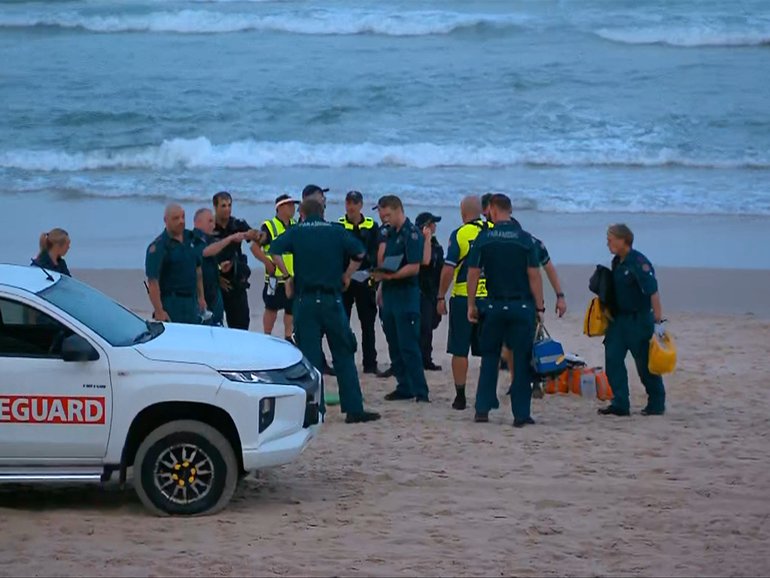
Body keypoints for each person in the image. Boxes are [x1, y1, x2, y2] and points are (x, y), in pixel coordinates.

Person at [269, 199, 381, 424]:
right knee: (343, 352)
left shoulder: (297, 231)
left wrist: (286, 275)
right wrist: (347, 275)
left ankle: (313, 410)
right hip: (331, 299)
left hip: (306, 300)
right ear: (323, 212)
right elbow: (359, 254)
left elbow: (274, 250)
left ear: (302, 212)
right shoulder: (336, 231)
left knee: (310, 359)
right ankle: (353, 408)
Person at [467, 194, 545, 427]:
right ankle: (521, 414)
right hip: (521, 305)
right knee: (521, 360)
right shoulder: (524, 239)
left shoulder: (485, 238)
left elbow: (473, 272)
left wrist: (471, 304)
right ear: (510, 211)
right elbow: (534, 274)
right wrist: (540, 306)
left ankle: (482, 409)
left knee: (490, 358)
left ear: (492, 209)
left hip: (493, 305)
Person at [599, 224, 666, 417]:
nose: (608, 243)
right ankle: (620, 403)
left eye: (611, 239)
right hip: (618, 320)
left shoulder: (638, 262)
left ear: (623, 240)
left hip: (639, 320)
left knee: (645, 364)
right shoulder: (616, 262)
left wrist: (658, 321)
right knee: (613, 359)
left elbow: (653, 290)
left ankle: (656, 402)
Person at [373, 195, 430, 403]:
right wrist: (381, 284)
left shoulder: (411, 234)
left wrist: (392, 276)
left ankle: (420, 390)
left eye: (387, 214)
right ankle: (403, 385)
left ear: (398, 210)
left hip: (406, 294)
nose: (384, 218)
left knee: (408, 344)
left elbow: (415, 266)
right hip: (389, 293)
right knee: (393, 342)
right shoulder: (389, 233)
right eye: (381, 215)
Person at [436, 196, 487, 410]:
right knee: (490, 349)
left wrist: (440, 296)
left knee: (459, 349)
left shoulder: (460, 234)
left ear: (463, 213)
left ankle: (460, 396)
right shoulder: (493, 230)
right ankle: (486, 392)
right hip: (491, 297)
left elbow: (449, 268)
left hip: (464, 297)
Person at [338, 190, 380, 374]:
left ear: (361, 205)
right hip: (344, 281)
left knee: (368, 324)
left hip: (365, 279)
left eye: (355, 202)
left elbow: (377, 251)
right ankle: (344, 361)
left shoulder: (372, 225)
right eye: (348, 202)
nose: (351, 206)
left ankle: (370, 364)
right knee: (342, 323)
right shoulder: (338, 225)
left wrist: (374, 274)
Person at [145, 204, 206, 324]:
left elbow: (198, 270)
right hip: (172, 302)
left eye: (183, 217)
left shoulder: (191, 239)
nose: (181, 221)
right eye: (176, 218)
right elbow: (153, 281)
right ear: (166, 220)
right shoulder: (159, 247)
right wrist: (159, 310)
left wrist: (201, 297)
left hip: (192, 301)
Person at [251, 194, 298, 341]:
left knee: (290, 309)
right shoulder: (269, 226)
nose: (293, 208)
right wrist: (267, 262)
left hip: (291, 277)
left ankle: (288, 337)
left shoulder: (295, 225)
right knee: (271, 308)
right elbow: (254, 247)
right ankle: (267, 337)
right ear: (281, 207)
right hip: (274, 279)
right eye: (290, 205)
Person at [192, 208, 247, 326]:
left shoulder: (208, 239)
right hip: (204, 295)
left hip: (214, 292)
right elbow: (205, 252)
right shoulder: (194, 239)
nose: (213, 225)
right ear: (198, 223)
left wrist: (220, 269)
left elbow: (207, 264)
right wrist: (230, 238)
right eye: (210, 221)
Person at [210, 191, 256, 330]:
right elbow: (200, 257)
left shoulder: (237, 225)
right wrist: (216, 277)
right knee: (213, 327)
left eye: (229, 205)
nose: (227, 209)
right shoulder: (209, 227)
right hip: (214, 283)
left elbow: (256, 238)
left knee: (241, 327)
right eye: (223, 206)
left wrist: (257, 234)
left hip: (235, 281)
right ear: (215, 207)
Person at [415, 212, 444, 371]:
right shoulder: (418, 243)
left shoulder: (436, 245)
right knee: (424, 326)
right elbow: (424, 263)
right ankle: (423, 358)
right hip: (421, 291)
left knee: (431, 324)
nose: (435, 226)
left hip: (432, 291)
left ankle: (426, 357)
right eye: (432, 223)